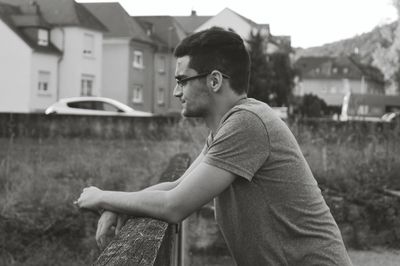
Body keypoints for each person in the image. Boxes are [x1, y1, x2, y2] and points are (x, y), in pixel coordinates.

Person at [76, 27, 353, 265]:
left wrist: (102, 196)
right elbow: (178, 186)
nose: (176, 92)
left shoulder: (248, 123)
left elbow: (175, 205)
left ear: (215, 80)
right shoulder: (230, 126)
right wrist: (122, 204)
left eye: (182, 80)